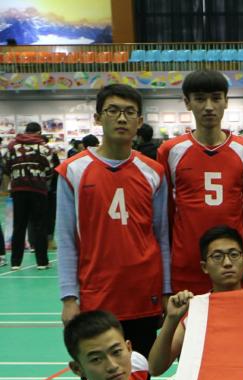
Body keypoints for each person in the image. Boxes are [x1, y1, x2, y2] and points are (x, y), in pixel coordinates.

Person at [56, 84, 170, 359]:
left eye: (129, 112)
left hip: (143, 295)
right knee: (98, 376)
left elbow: (162, 236)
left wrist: (166, 291)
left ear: (139, 121)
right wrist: (69, 298)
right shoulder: (73, 171)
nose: (121, 118)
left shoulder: (153, 172)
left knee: (140, 376)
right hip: (96, 297)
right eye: (113, 111)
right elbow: (66, 240)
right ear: (98, 118)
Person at [158, 69, 243, 295]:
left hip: (233, 265)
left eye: (216, 98)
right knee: (188, 318)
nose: (209, 106)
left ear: (226, 101)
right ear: (187, 102)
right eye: (200, 99)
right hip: (187, 263)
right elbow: (167, 213)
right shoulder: (170, 151)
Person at [149, 226, 243, 376]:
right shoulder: (196, 312)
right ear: (204, 267)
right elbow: (155, 368)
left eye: (234, 254)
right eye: (217, 256)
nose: (227, 262)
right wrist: (171, 319)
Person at [3, 122, 54, 270]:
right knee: (39, 225)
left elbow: (6, 168)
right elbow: (50, 169)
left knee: (19, 225)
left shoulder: (12, 147)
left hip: (18, 189)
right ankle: (42, 262)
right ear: (39, 132)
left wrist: (9, 186)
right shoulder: (44, 148)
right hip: (38, 189)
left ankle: (16, 262)